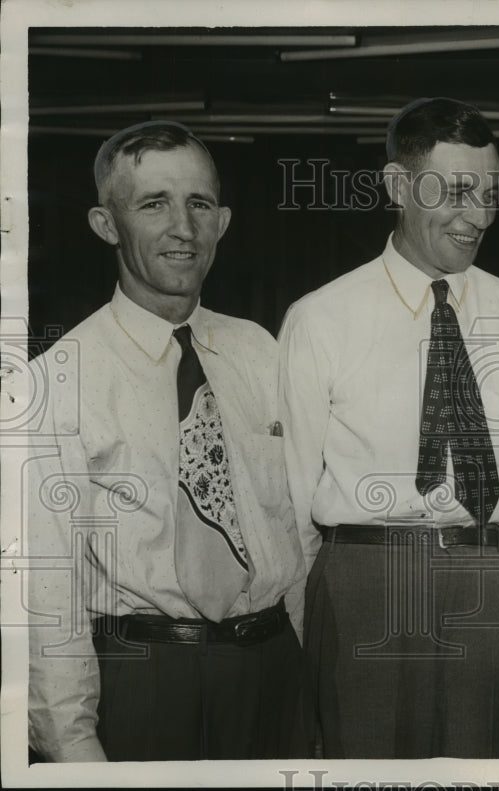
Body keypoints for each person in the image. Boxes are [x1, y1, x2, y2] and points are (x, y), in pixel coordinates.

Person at [27, 121, 307, 762]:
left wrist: (303, 672)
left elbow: (293, 526)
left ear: (224, 220)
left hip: (273, 667)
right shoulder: (57, 383)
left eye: (199, 204)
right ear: (106, 224)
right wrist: (74, 750)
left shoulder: (256, 351)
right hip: (149, 675)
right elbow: (45, 596)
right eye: (154, 203)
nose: (184, 227)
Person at [279, 97, 499, 758]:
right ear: (399, 186)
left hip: (487, 580)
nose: (479, 216)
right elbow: (288, 505)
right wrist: (311, 639)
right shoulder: (321, 318)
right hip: (364, 580)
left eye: (489, 193)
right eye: (457, 192)